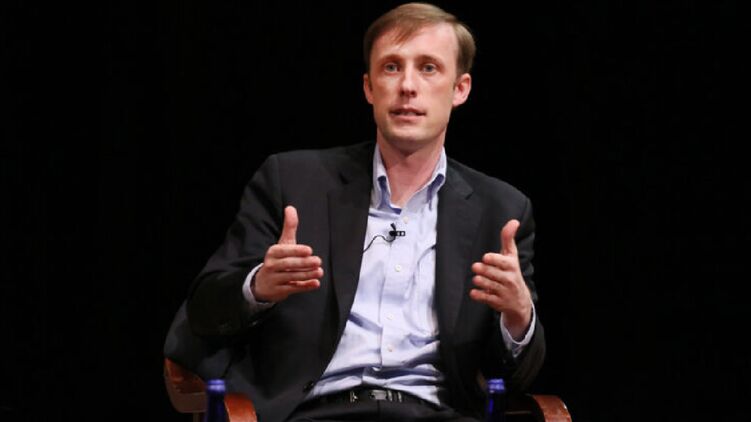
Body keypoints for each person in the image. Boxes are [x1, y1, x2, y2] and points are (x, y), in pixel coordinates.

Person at [177, 3, 544, 421]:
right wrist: (258, 287)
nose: (407, 86)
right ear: (369, 88)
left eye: (428, 68)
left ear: (460, 89)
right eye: (391, 67)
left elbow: (517, 375)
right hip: (314, 413)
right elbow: (202, 312)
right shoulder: (292, 183)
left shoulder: (501, 210)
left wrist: (518, 316)